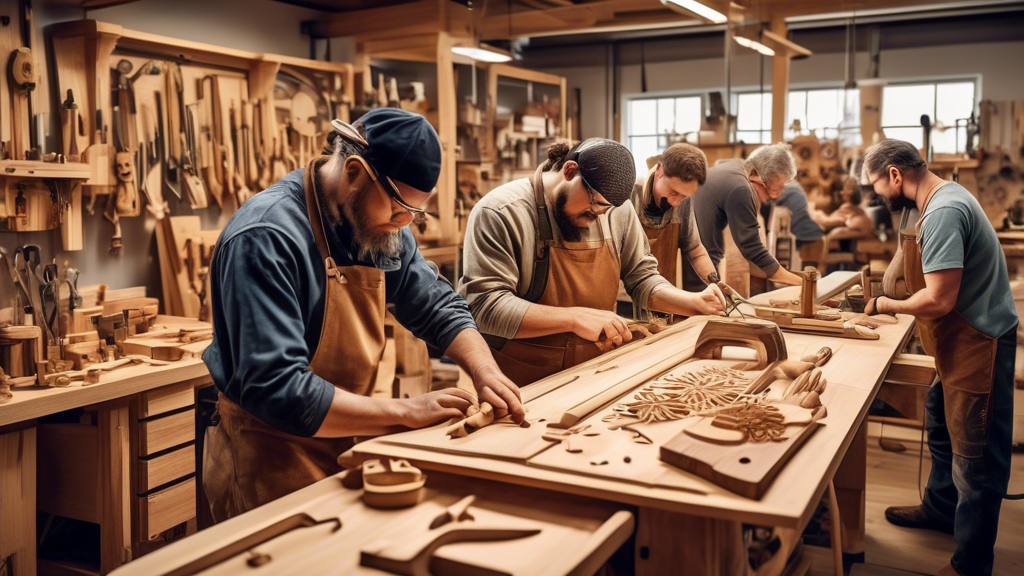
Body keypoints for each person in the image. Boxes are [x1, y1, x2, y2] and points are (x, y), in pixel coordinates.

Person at [202, 109, 524, 522]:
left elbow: (436, 305)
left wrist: (486, 371)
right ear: (354, 171)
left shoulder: (380, 225)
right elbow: (278, 390)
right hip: (268, 451)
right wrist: (408, 412)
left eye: (415, 213)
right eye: (398, 207)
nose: (405, 223)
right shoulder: (266, 237)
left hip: (346, 434)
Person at [863, 139, 1017, 576]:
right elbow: (907, 256)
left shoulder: (945, 212)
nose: (876, 195)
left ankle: (971, 564)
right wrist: (887, 286)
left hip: (978, 339)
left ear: (895, 175)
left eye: (877, 185)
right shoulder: (926, 201)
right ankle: (940, 508)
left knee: (974, 455)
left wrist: (888, 307)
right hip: (954, 340)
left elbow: (939, 299)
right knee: (940, 421)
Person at [459, 138, 724, 387]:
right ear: (570, 171)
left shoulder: (616, 210)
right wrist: (574, 318)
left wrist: (689, 301)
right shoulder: (501, 212)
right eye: (596, 204)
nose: (599, 216)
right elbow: (484, 308)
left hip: (594, 370)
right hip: (520, 376)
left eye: (607, 209)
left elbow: (642, 277)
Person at [616, 143, 716, 318]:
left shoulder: (682, 201)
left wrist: (716, 284)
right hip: (624, 304)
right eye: (673, 192)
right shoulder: (626, 194)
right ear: (659, 171)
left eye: (684, 196)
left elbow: (695, 250)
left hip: (664, 300)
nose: (676, 202)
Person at [685, 143, 803, 291]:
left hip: (697, 259)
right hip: (699, 270)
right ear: (767, 177)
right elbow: (753, 249)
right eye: (782, 184)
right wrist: (802, 283)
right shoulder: (740, 188)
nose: (780, 191)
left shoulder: (737, 166)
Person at [759, 180, 825, 248]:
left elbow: (767, 202)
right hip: (810, 231)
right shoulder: (793, 185)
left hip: (805, 234)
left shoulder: (787, 188)